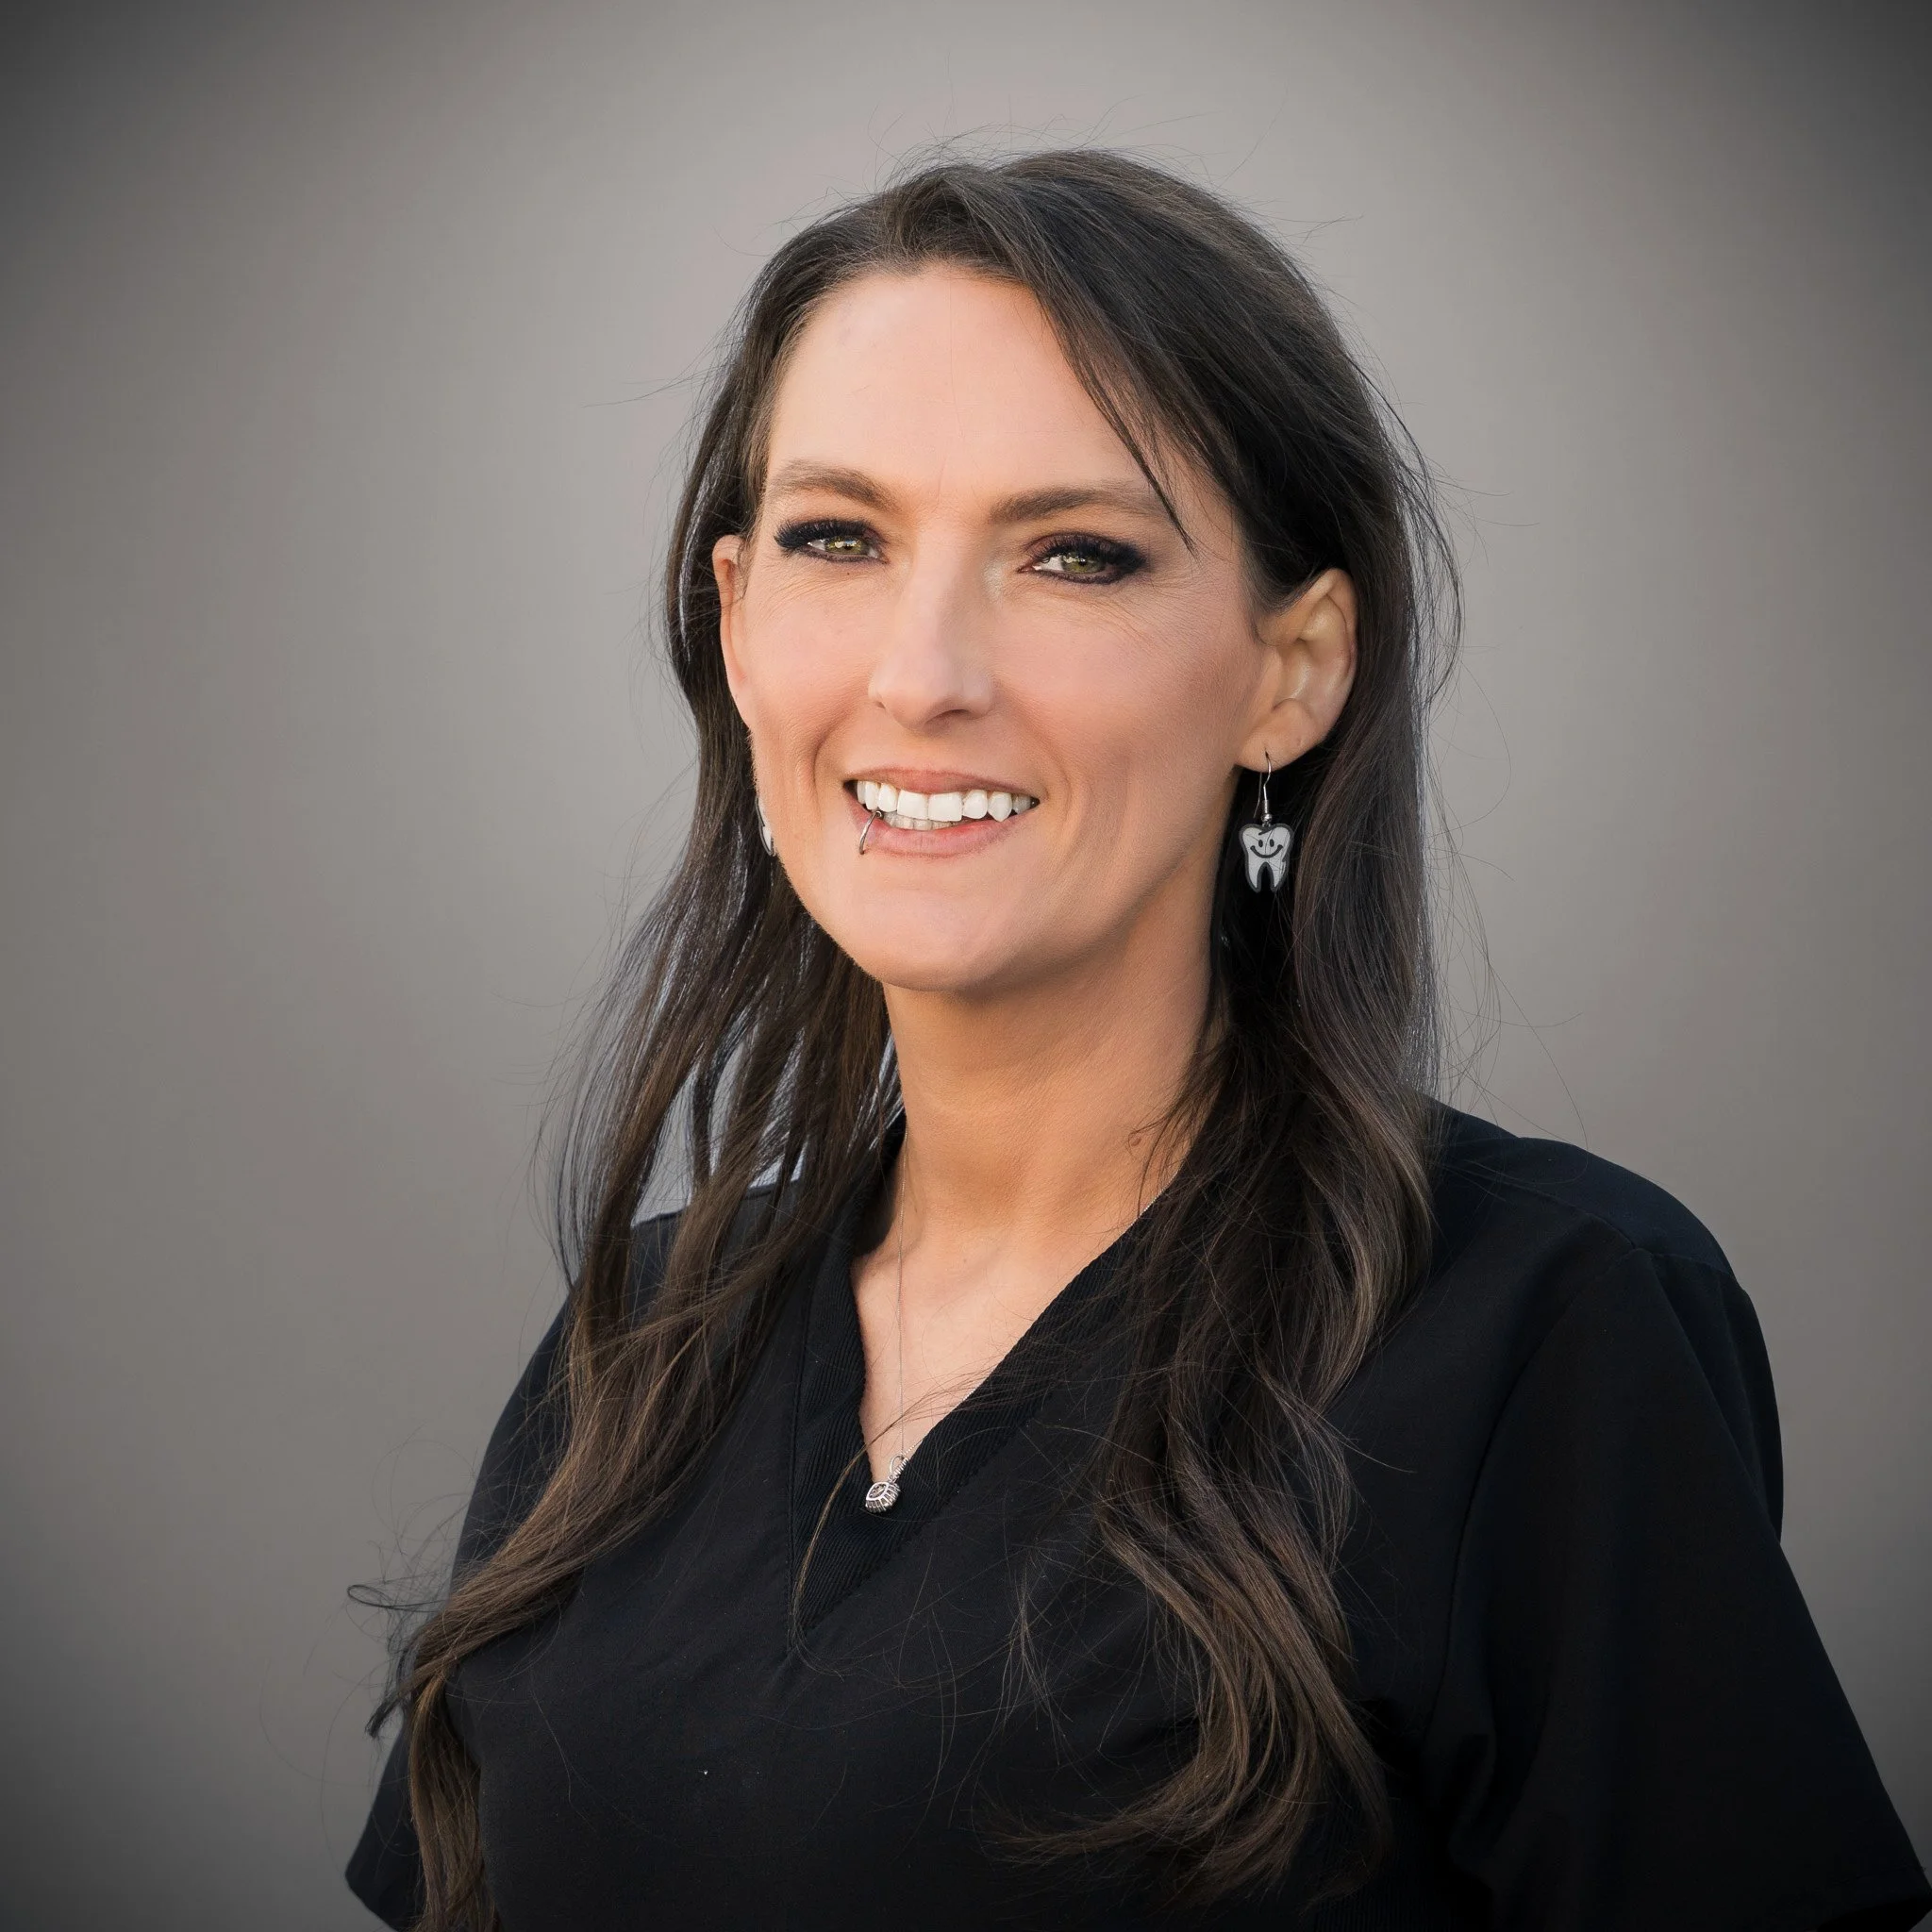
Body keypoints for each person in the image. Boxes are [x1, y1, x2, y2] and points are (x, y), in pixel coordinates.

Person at [345, 151, 1928, 1931]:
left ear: (1294, 670)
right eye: (837, 540)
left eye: (1075, 555)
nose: (925, 671)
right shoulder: (642, 1341)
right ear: (736, 620)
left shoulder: (1541, 1327)